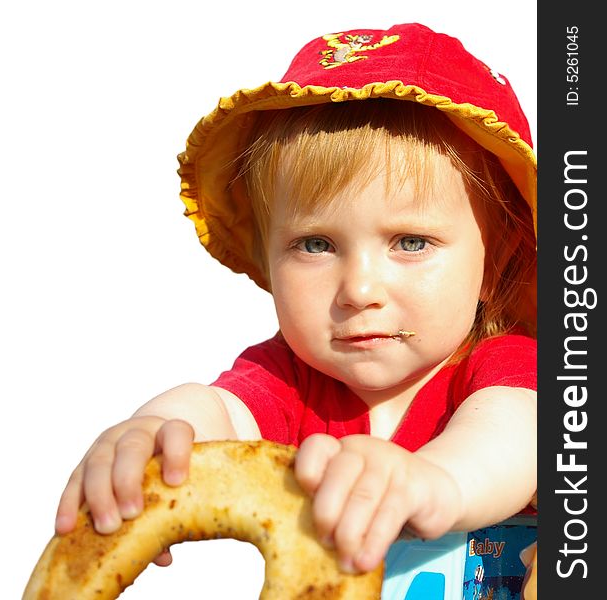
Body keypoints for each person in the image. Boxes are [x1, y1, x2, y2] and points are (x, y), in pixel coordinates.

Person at [55, 22, 537, 581]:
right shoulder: (289, 380)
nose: (359, 290)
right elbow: (220, 411)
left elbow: (512, 439)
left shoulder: (500, 370)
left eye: (411, 242)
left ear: (496, 255)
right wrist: (156, 434)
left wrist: (436, 483)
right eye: (315, 244)